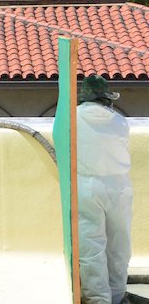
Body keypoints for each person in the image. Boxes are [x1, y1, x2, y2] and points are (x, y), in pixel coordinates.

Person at [76, 74, 132, 304]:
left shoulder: (74, 117)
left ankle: (98, 299)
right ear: (106, 98)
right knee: (119, 244)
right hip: (119, 186)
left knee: (92, 246)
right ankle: (118, 295)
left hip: (87, 184)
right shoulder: (120, 121)